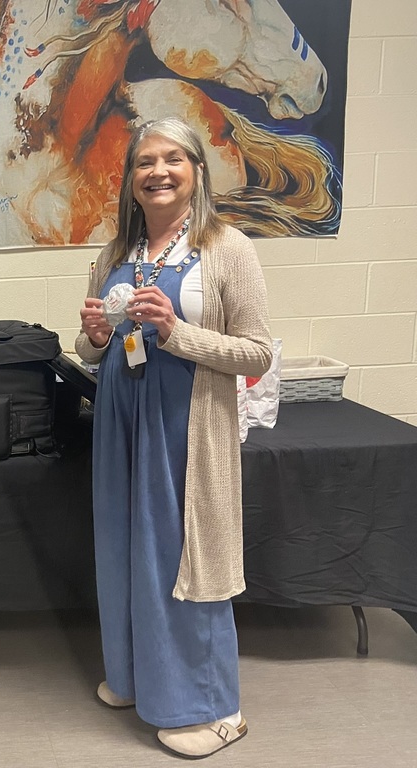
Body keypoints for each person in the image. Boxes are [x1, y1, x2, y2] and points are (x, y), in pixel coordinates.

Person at [74, 117, 273, 759]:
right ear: (130, 180)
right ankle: (139, 678)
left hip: (185, 429)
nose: (157, 171)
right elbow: (90, 346)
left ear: (196, 171)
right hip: (120, 426)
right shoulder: (112, 257)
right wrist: (97, 339)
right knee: (127, 550)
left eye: (173, 160)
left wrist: (175, 332)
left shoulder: (228, 250)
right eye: (144, 162)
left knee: (187, 557)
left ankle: (216, 709)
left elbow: (257, 354)